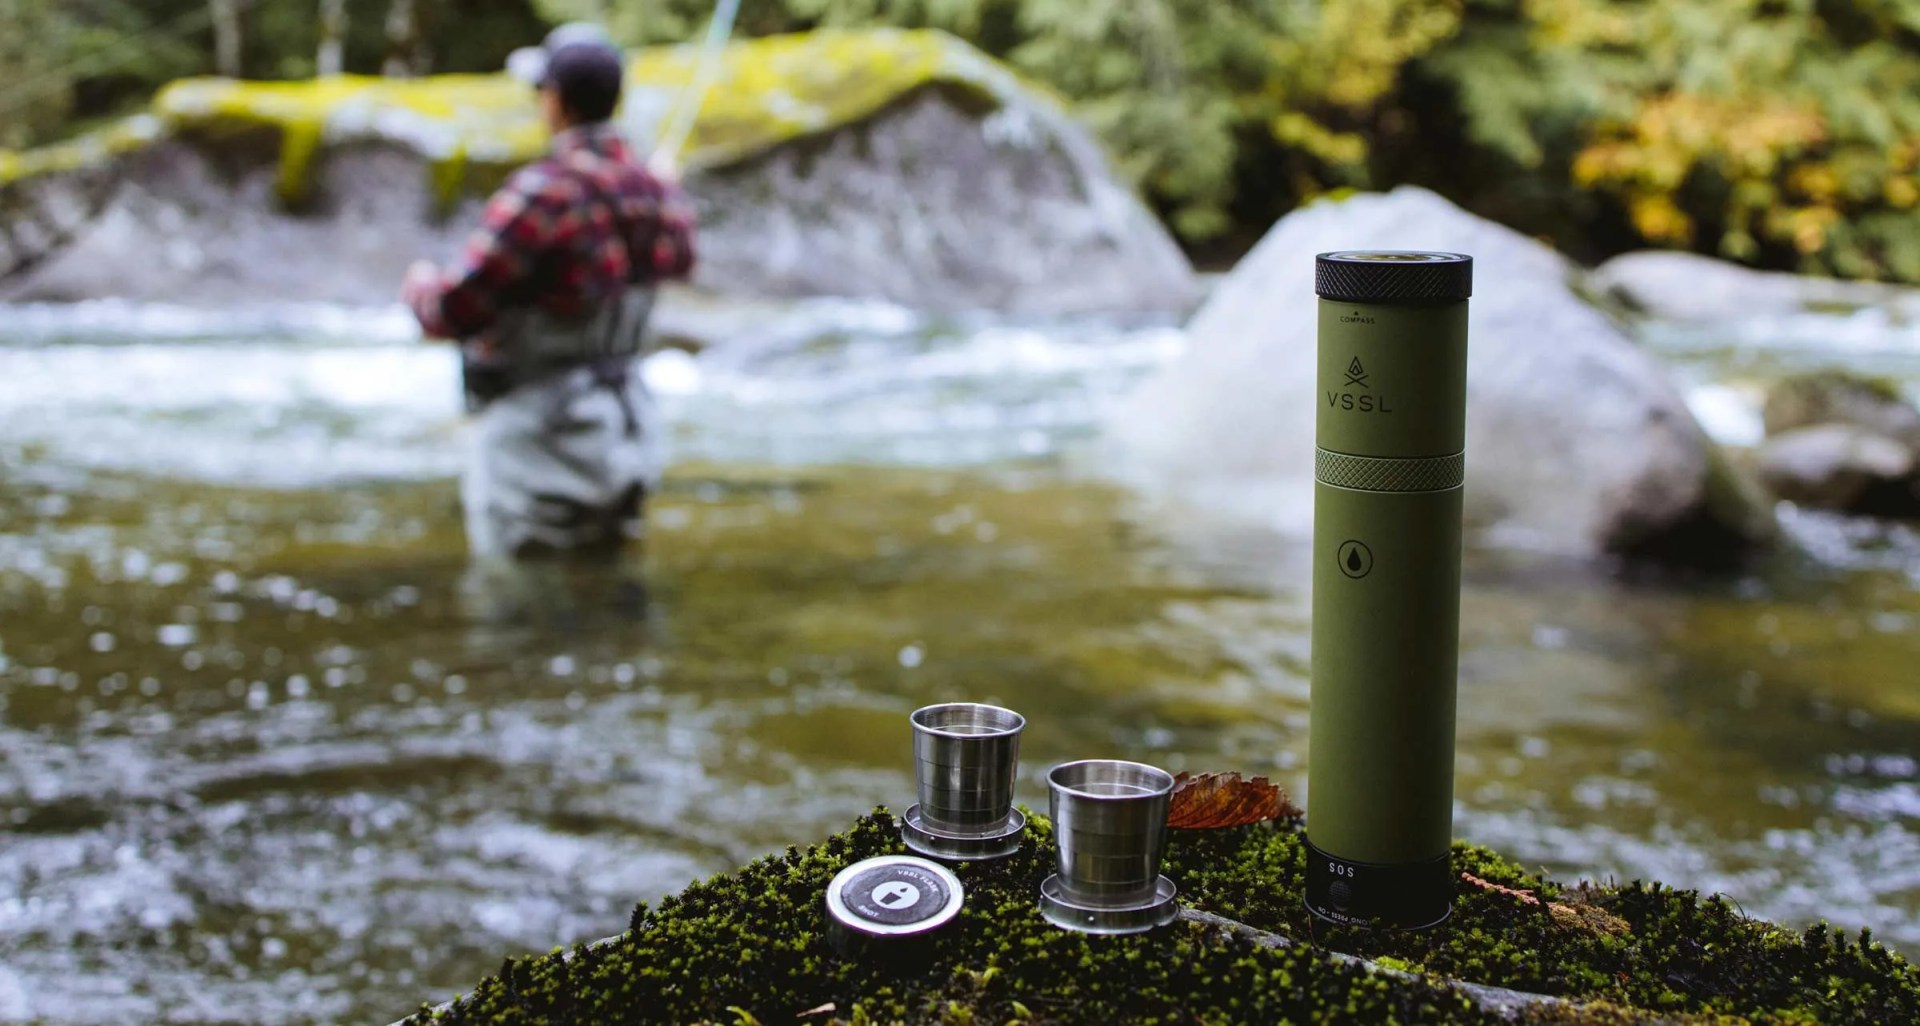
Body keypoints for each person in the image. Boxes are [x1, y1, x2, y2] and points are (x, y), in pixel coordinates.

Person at [402, 24, 695, 581]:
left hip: (537, 442)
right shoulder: (656, 191)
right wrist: (664, 189)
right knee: (608, 590)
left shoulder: (543, 192)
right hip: (627, 431)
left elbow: (453, 309)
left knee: (520, 600)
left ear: (555, 100)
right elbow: (680, 259)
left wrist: (419, 284)